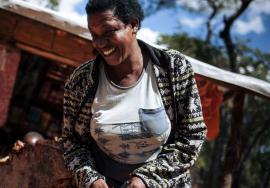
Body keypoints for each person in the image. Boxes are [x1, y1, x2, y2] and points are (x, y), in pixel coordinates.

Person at [62, 0, 207, 187]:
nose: (99, 43)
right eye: (94, 34)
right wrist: (91, 178)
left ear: (133, 25)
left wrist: (146, 178)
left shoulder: (173, 68)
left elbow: (192, 134)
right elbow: (71, 143)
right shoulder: (81, 82)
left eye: (109, 31)